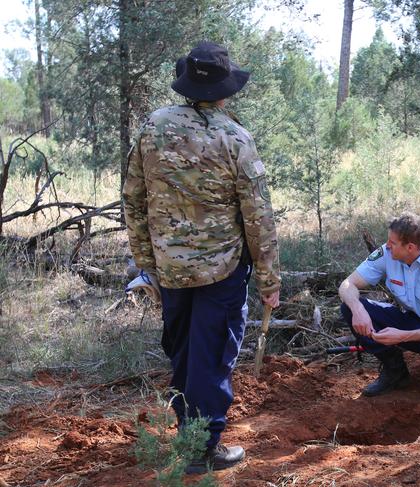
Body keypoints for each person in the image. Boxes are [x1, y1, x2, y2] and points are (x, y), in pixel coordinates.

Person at [123, 41, 281, 473]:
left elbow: (132, 200)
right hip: (221, 271)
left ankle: (188, 433)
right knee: (209, 359)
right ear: (225, 89)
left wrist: (147, 263)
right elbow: (258, 217)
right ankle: (201, 450)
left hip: (169, 270)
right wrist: (269, 281)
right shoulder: (235, 137)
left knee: (184, 353)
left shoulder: (152, 127)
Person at [338, 212, 420, 398]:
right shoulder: (387, 254)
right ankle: (395, 370)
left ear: (411, 247)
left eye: (392, 242)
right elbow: (347, 284)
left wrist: (403, 337)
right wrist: (358, 310)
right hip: (408, 319)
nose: (387, 245)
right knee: (349, 306)